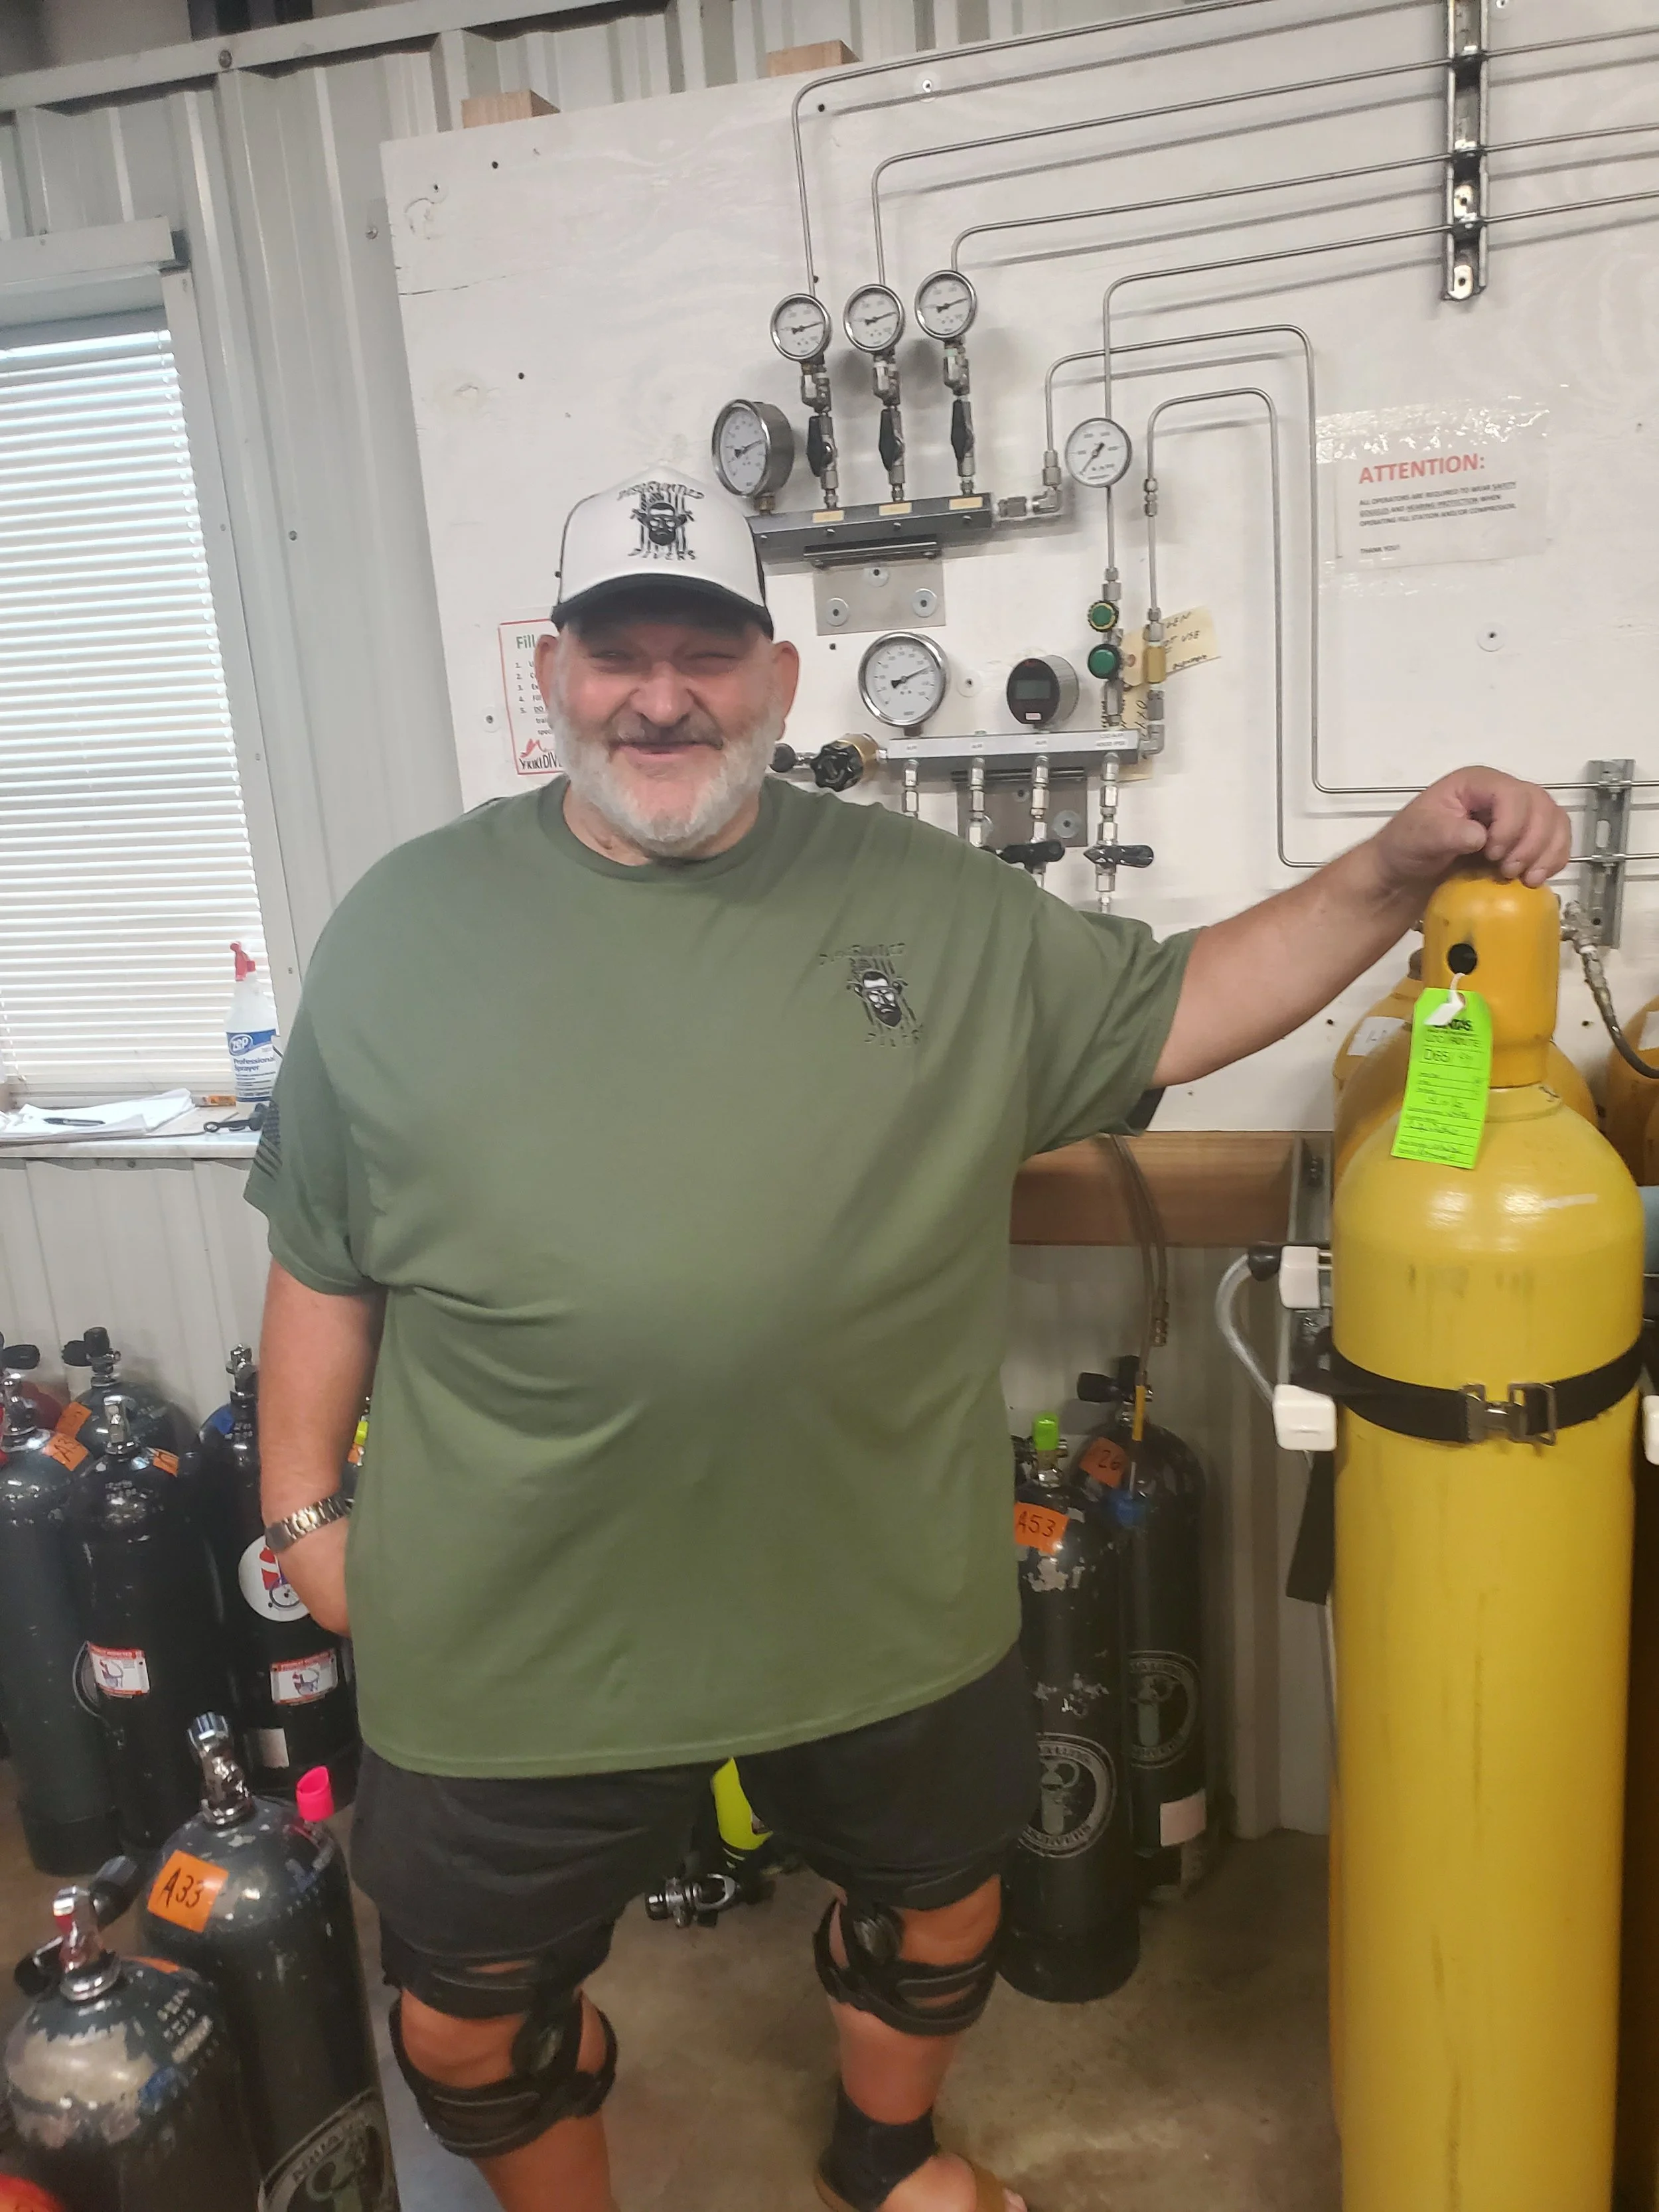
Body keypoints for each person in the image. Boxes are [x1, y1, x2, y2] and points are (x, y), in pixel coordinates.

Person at [248, 465, 1571, 2212]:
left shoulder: (925, 908)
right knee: (464, 2019)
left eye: (704, 653)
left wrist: (1395, 864)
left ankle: (883, 2149)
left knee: (945, 1907)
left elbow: (1181, 1001)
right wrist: (302, 1523)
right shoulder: (402, 932)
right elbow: (323, 1255)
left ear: (778, 679)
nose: (661, 695)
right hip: (517, 1616)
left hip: (865, 1581)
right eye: (617, 651)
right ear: (551, 680)